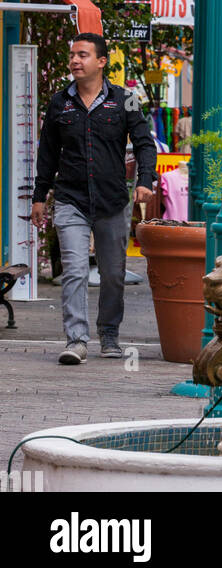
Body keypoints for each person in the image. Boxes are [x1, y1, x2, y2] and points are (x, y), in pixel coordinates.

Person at [31, 32, 157, 365]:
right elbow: (47, 153)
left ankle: (110, 333)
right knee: (74, 270)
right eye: (72, 54)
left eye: (82, 55)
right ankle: (76, 339)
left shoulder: (126, 99)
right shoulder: (60, 102)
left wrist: (145, 180)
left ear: (101, 62)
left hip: (112, 200)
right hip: (71, 198)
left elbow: (144, 143)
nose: (74, 60)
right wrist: (39, 197)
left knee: (113, 273)